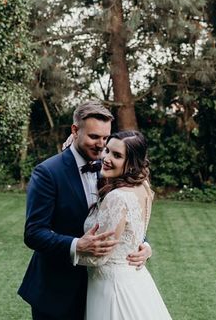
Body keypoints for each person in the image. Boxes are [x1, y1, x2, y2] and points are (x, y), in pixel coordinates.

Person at [18, 101, 152, 320]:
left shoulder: (110, 166)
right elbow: (33, 233)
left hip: (99, 289)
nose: (101, 146)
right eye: (93, 137)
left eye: (105, 138)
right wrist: (76, 245)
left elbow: (127, 213)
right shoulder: (48, 173)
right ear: (74, 131)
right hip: (56, 291)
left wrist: (144, 244)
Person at [77, 130, 172, 320]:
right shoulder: (143, 185)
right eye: (107, 150)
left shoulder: (117, 197)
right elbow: (134, 231)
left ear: (132, 164)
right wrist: (145, 246)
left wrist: (72, 250)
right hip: (135, 279)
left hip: (112, 288)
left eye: (117, 155)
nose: (106, 158)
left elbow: (99, 257)